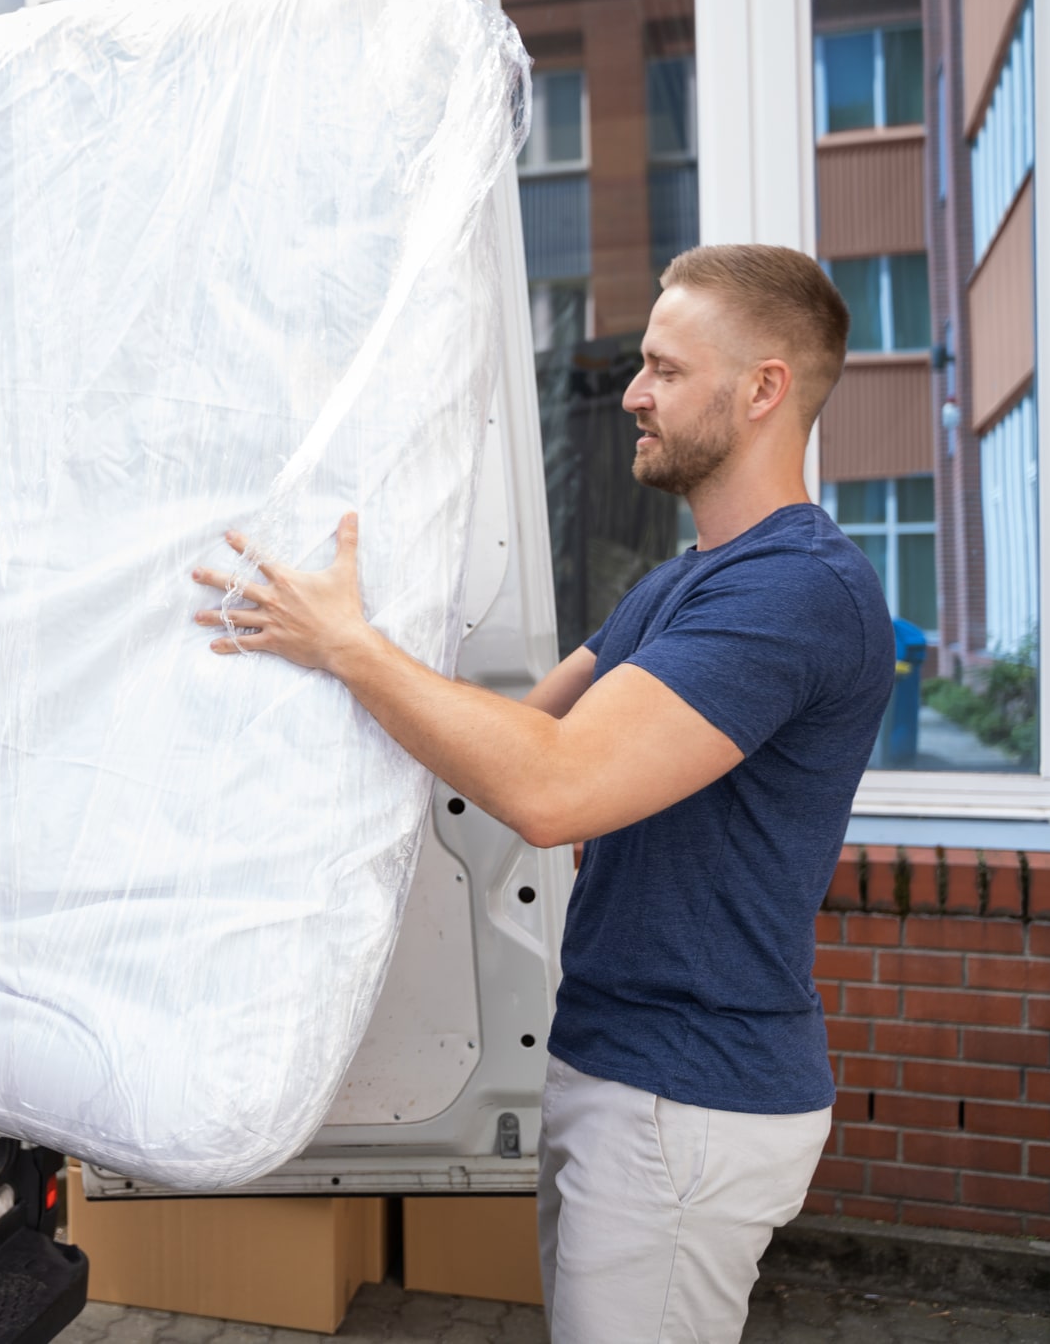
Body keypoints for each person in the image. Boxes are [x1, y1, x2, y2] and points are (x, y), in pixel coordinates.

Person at [192, 245, 893, 1342]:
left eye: (663, 367)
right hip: (615, 1063)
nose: (631, 393)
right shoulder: (684, 581)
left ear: (763, 389)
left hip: (687, 1095)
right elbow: (524, 725)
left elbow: (552, 787)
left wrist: (351, 647)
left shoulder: (797, 591)